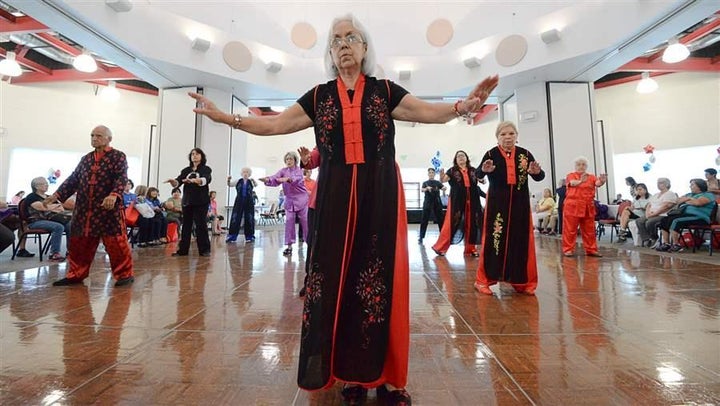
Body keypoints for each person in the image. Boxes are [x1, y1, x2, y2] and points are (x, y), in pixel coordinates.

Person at [189, 13, 499, 404]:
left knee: (378, 282)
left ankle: (384, 377)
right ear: (330, 53)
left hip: (379, 196)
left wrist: (462, 105)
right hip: (335, 200)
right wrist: (225, 118)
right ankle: (352, 373)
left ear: (365, 48)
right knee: (339, 282)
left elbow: (426, 111)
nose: (344, 44)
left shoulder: (384, 91)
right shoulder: (318, 97)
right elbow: (274, 126)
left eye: (352, 37)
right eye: (336, 40)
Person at [46, 125, 134, 287]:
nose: (94, 138)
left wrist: (114, 195)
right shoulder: (86, 159)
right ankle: (76, 274)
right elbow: (73, 179)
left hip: (108, 208)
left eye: (99, 135)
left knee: (115, 243)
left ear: (109, 139)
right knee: (79, 243)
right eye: (92, 135)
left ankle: (124, 274)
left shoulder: (118, 156)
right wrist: (56, 195)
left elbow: (121, 178)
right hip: (84, 209)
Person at [474, 121, 545, 296]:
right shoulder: (491, 154)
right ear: (497, 137)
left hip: (520, 204)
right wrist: (483, 170)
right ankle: (483, 280)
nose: (507, 137)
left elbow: (539, 175)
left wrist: (536, 172)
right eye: (503, 134)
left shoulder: (525, 154)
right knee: (494, 241)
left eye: (511, 134)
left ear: (516, 136)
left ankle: (521, 281)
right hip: (497, 204)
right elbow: (478, 174)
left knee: (520, 241)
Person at [431, 151, 483, 257]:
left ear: (466, 158)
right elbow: (444, 180)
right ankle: (440, 247)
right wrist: (441, 175)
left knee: (472, 224)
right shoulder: (452, 171)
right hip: (457, 201)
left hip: (473, 200)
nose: (461, 158)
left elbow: (481, 179)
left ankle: (470, 249)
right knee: (451, 223)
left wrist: (482, 180)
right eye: (458, 156)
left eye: (462, 156)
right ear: (456, 159)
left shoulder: (473, 170)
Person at [259, 151, 308, 256]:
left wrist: (288, 179)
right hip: (289, 200)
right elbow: (275, 178)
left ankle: (311, 245)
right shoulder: (283, 171)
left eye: (291, 159)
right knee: (289, 221)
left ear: (295, 160)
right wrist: (267, 179)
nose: (288, 161)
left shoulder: (299, 170)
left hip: (302, 199)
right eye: (287, 159)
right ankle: (289, 246)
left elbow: (296, 180)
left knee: (305, 221)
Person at [165, 148, 212, 257]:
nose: (194, 156)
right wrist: (173, 182)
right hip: (187, 201)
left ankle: (205, 250)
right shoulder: (186, 170)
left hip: (201, 201)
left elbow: (206, 179)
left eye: (197, 154)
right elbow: (178, 182)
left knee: (201, 225)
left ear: (201, 156)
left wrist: (195, 180)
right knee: (186, 225)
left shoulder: (206, 169)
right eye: (192, 154)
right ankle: (182, 250)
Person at [561, 156, 607, 257]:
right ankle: (568, 249)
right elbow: (572, 183)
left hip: (587, 206)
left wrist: (602, 181)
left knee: (589, 230)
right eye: (579, 164)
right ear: (575, 166)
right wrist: (581, 181)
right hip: (573, 206)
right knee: (570, 229)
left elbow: (597, 183)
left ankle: (591, 250)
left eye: (583, 164)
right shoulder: (571, 175)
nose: (581, 166)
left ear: (586, 166)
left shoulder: (591, 176)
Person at [656, 178, 715, 252]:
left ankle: (676, 245)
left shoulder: (708, 195)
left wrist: (687, 200)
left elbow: (698, 203)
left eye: (692, 185)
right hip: (685, 215)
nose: (690, 186)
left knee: (676, 221)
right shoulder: (689, 194)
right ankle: (666, 244)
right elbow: (678, 200)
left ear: (699, 186)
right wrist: (689, 200)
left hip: (700, 217)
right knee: (664, 220)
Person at [24, 176, 71, 261]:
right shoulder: (31, 197)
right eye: (44, 184)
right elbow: (40, 207)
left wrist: (50, 206)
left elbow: (61, 208)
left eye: (46, 183)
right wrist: (53, 207)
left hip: (52, 219)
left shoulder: (49, 197)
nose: (46, 185)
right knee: (58, 227)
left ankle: (71, 251)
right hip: (36, 221)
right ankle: (54, 253)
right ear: (36, 186)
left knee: (70, 225)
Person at [635, 178, 678, 247]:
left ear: (666, 184)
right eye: (657, 183)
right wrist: (647, 214)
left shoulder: (670, 194)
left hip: (662, 214)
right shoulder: (656, 194)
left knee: (649, 222)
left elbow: (666, 207)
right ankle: (646, 238)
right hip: (651, 214)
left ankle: (654, 237)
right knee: (639, 221)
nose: (658, 184)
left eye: (660, 183)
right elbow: (648, 205)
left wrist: (653, 214)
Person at [226, 167, 257, 243]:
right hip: (239, 201)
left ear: (249, 174)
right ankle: (232, 236)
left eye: (247, 172)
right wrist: (228, 179)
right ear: (242, 173)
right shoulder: (238, 181)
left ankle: (250, 236)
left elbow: (256, 185)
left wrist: (253, 180)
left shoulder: (250, 181)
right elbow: (230, 185)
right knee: (235, 217)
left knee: (249, 218)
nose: (245, 173)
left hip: (249, 201)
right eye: (244, 172)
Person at [418, 168, 446, 244]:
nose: (431, 174)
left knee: (440, 219)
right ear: (428, 174)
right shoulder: (425, 183)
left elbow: (443, 187)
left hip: (437, 202)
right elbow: (422, 190)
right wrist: (427, 188)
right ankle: (421, 237)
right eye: (429, 172)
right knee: (424, 219)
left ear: (434, 174)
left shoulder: (437, 182)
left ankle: (443, 235)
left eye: (432, 172)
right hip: (428, 202)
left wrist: (444, 188)